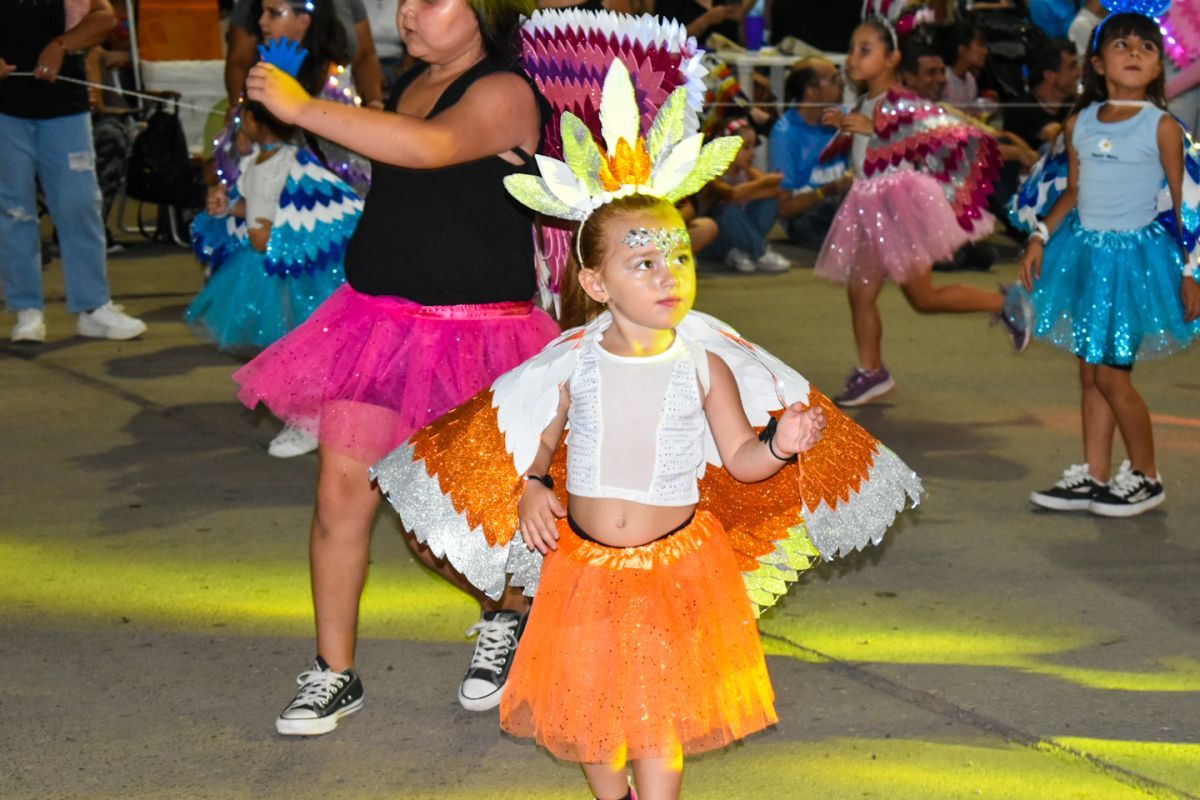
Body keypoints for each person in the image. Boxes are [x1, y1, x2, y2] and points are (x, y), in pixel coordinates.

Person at [372, 61, 922, 799]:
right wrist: (534, 484)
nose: (669, 275)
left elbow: (738, 459)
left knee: (660, 717)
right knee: (592, 721)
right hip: (583, 569)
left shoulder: (704, 367)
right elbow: (543, 432)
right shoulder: (573, 362)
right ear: (596, 283)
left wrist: (778, 446)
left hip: (673, 569)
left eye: (679, 257)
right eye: (643, 261)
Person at [239, 0, 562, 733]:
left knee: (440, 529)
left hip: (475, 338)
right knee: (339, 499)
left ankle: (508, 613)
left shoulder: (504, 90)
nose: (407, 11)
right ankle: (334, 672)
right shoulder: (413, 76)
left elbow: (428, 146)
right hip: (377, 327)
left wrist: (305, 106)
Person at [1018, 9, 1200, 517]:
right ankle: (1096, 474)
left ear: (1160, 66)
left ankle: (1146, 475)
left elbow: (1186, 201)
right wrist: (1039, 236)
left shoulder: (1161, 126)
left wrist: (1192, 270)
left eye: (1147, 47)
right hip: (1086, 256)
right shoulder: (1079, 123)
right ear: (1097, 64)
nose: (1136, 53)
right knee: (1089, 373)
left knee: (1113, 378)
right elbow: (1074, 192)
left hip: (1132, 263)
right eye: (1123, 46)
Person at [815, 15, 1030, 407]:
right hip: (867, 204)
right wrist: (848, 127)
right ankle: (872, 371)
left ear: (892, 57)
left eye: (865, 50)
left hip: (898, 208)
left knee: (924, 297)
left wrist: (874, 129)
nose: (853, 58)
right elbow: (873, 148)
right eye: (852, 49)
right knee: (860, 293)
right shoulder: (865, 101)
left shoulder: (903, 102)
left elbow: (937, 132)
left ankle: (1007, 303)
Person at [0, 0, 146, 344]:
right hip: (5, 112)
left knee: (79, 205)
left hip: (65, 108)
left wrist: (62, 44)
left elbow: (104, 16)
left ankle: (93, 307)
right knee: (14, 211)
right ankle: (26, 310)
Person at [186, 88, 361, 353]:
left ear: (249, 120)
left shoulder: (269, 166)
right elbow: (272, 208)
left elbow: (263, 234)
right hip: (294, 264)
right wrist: (230, 208)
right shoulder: (285, 160)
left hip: (277, 269)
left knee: (285, 343)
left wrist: (267, 235)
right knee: (302, 340)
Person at [226, 0, 384, 109]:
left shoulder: (330, 77)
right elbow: (238, 62)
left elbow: (365, 55)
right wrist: (240, 116)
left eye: (273, 13)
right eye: (262, 12)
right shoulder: (265, 66)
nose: (261, 21)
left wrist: (375, 103)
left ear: (303, 20)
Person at [770, 57, 853, 249]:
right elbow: (784, 209)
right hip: (806, 217)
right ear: (813, 92)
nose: (841, 83)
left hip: (840, 204)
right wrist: (828, 190)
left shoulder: (843, 115)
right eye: (834, 79)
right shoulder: (786, 133)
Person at [699, 118, 790, 273]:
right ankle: (758, 252)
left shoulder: (748, 171)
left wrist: (748, 193)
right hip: (713, 242)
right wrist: (759, 185)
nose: (753, 153)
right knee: (729, 211)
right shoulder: (710, 172)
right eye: (746, 147)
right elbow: (731, 194)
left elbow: (778, 191)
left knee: (769, 203)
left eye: (753, 146)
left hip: (736, 236)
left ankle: (742, 251)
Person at [1003, 38, 1078, 149]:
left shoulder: (1072, 104)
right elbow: (1060, 136)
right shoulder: (1022, 110)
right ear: (1050, 75)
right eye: (1072, 67)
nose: (1079, 72)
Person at [941, 17, 988, 107]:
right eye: (980, 45)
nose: (985, 51)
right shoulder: (943, 80)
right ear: (962, 49)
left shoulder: (971, 81)